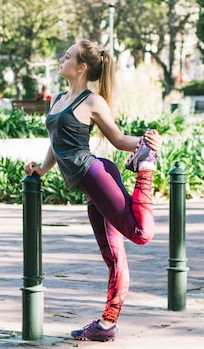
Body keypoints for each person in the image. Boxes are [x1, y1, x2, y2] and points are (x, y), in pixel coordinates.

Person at [24, 38, 162, 342]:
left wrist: (144, 142)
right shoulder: (58, 98)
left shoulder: (92, 102)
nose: (63, 58)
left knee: (140, 233)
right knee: (113, 257)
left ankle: (146, 167)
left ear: (81, 67)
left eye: (68, 55)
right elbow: (56, 143)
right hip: (91, 188)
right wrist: (42, 169)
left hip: (98, 175)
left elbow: (117, 139)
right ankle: (107, 325)